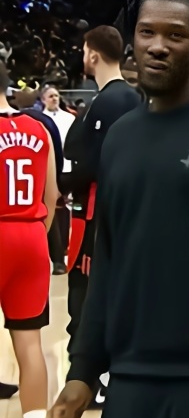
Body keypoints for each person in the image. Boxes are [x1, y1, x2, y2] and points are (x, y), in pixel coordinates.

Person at [49, 0, 189, 418]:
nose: (158, 46)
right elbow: (108, 256)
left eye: (175, 34)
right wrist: (83, 371)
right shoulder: (121, 136)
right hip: (128, 379)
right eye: (147, 32)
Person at [61, 26, 141, 358]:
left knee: (85, 294)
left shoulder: (112, 100)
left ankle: (86, 368)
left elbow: (95, 164)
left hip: (98, 215)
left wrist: (60, 185)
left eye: (84, 51)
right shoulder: (128, 97)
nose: (82, 57)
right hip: (117, 213)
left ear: (93, 54)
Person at [0, 60, 58, 418]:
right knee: (30, 344)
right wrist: (37, 231)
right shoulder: (39, 128)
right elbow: (51, 195)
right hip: (32, 235)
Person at [39, 85, 74, 275]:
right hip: (49, 169)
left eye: (57, 95)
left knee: (65, 210)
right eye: (51, 96)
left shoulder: (69, 118)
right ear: (43, 99)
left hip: (67, 167)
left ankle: (65, 250)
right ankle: (56, 256)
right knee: (51, 208)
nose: (54, 98)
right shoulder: (39, 120)